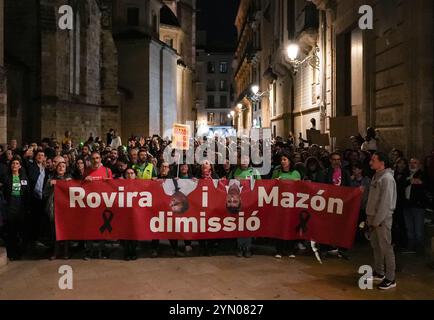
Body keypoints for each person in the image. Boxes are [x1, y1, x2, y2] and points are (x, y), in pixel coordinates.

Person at [366, 152, 397, 290]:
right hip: (373, 218)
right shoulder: (376, 175)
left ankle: (391, 278)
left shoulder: (387, 178)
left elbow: (385, 202)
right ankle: (379, 271)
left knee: (386, 248)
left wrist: (377, 220)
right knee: (376, 246)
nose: (370, 162)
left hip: (382, 220)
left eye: (373, 160)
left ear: (382, 162)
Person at [228, 154, 261, 258]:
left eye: (246, 159)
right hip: (237, 204)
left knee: (248, 225)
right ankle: (239, 247)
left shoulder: (255, 172)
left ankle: (247, 247)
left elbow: (261, 186)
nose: (244, 161)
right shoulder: (234, 171)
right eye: (242, 159)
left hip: (251, 203)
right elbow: (227, 184)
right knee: (239, 225)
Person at [83, 151, 113, 260]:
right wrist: (85, 181)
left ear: (100, 159)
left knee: (102, 229)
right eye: (93, 158)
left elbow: (113, 187)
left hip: (103, 204)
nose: (95, 160)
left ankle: (102, 250)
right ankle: (89, 251)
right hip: (90, 205)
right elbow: (80, 188)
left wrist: (109, 182)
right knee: (89, 228)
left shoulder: (107, 170)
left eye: (97, 158)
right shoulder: (87, 171)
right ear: (90, 160)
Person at [272, 153, 301, 259]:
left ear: (290, 161)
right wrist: (275, 182)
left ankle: (290, 249)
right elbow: (270, 187)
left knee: (290, 226)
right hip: (279, 205)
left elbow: (300, 188)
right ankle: (279, 250)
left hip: (292, 205)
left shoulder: (295, 173)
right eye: (281, 160)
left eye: (284, 159)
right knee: (279, 226)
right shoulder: (276, 173)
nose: (282, 161)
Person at [2, 157, 31, 260]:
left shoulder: (24, 178)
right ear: (11, 166)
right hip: (10, 206)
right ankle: (12, 252)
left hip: (21, 206)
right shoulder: (6, 178)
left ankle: (20, 252)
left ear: (20, 166)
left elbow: (27, 192)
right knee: (11, 231)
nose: (14, 165)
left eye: (17, 163)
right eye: (13, 163)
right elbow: (4, 193)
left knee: (21, 230)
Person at [44, 161, 72, 260]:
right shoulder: (51, 180)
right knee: (54, 231)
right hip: (54, 208)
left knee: (66, 231)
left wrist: (67, 183)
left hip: (65, 208)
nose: (61, 168)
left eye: (63, 166)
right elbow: (45, 193)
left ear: (66, 169)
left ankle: (66, 252)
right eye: (59, 166)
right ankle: (55, 252)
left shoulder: (69, 180)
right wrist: (50, 185)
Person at [402, 158, 429, 254]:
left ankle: (419, 248)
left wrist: (417, 182)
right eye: (411, 162)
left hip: (418, 205)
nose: (412, 164)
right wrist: (411, 181)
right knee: (409, 228)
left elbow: (426, 186)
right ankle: (411, 246)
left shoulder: (423, 174)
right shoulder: (406, 174)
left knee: (418, 229)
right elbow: (401, 184)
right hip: (407, 205)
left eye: (415, 163)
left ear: (419, 165)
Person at [122, 168, 138, 261]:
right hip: (124, 213)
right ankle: (126, 252)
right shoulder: (120, 185)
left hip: (136, 213)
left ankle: (133, 251)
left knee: (134, 233)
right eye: (127, 173)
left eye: (132, 173)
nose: (130, 175)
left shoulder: (140, 185)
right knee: (126, 234)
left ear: (135, 175)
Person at [393, 158, 410, 249]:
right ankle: (394, 241)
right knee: (394, 223)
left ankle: (402, 243)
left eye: (404, 163)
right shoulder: (393, 174)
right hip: (393, 201)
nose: (402, 165)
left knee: (401, 223)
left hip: (401, 202)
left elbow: (402, 187)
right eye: (400, 163)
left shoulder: (406, 175)